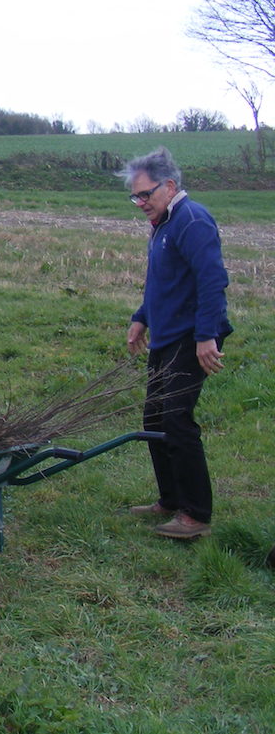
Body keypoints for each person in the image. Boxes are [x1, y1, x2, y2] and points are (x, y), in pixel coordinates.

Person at [122, 147, 231, 541]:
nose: (140, 203)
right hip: (166, 336)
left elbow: (212, 282)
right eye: (135, 197)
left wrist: (206, 335)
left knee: (176, 421)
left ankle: (196, 513)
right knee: (154, 421)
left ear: (169, 186)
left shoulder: (192, 221)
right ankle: (169, 500)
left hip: (190, 337)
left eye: (145, 194)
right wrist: (141, 317)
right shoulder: (163, 224)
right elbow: (162, 282)